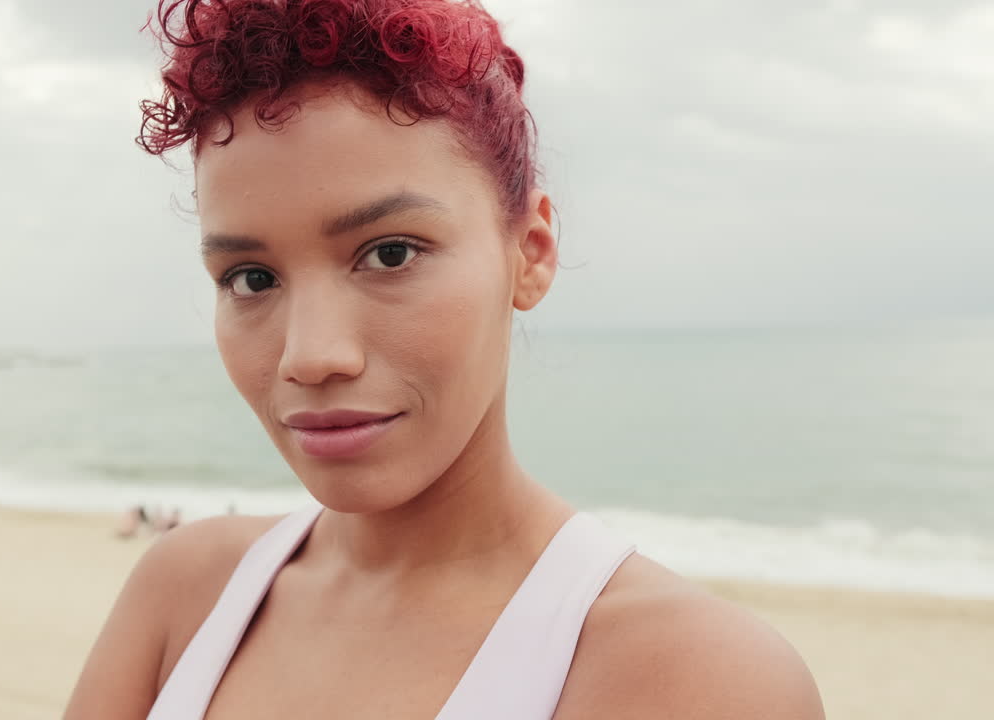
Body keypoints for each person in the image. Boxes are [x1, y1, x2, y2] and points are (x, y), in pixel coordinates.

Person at [67, 1, 824, 718]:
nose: (311, 356)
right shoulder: (186, 595)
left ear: (530, 252)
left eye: (389, 254)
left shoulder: (695, 678)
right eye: (251, 278)